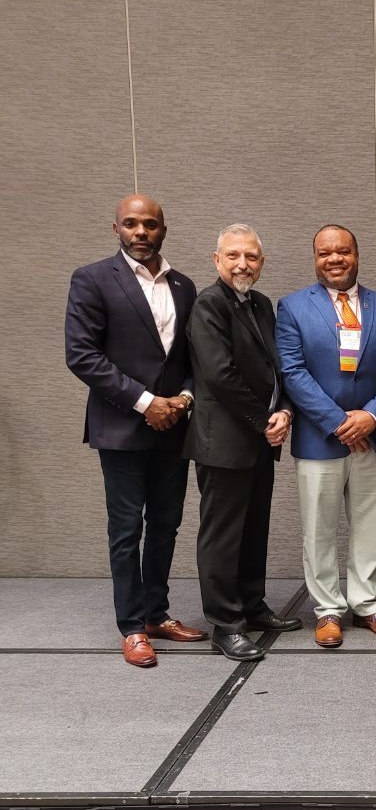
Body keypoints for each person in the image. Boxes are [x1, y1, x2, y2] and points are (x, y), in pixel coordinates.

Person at [65, 194, 205, 668]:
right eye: (131, 224)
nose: (140, 232)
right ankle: (131, 626)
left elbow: (191, 360)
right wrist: (146, 402)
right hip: (122, 426)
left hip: (175, 425)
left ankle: (156, 613)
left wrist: (183, 399)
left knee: (166, 524)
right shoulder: (92, 279)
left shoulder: (185, 286)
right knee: (126, 531)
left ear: (164, 229)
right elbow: (82, 355)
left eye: (150, 224)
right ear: (116, 228)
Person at [276, 224, 376, 649]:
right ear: (315, 258)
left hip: (374, 435)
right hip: (320, 439)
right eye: (325, 253)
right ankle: (327, 610)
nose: (335, 259)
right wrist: (338, 421)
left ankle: (368, 605)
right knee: (319, 528)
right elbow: (292, 372)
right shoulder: (292, 307)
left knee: (370, 524)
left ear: (357, 254)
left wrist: (372, 415)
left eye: (343, 251)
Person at [184, 224, 301, 662]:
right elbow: (220, 376)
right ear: (217, 260)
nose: (242, 264)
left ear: (262, 263)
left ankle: (252, 607)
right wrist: (263, 421)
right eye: (233, 255)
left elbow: (278, 368)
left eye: (251, 257)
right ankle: (225, 624)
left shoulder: (261, 304)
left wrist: (284, 410)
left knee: (254, 530)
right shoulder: (209, 304)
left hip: (258, 438)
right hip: (224, 441)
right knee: (222, 535)